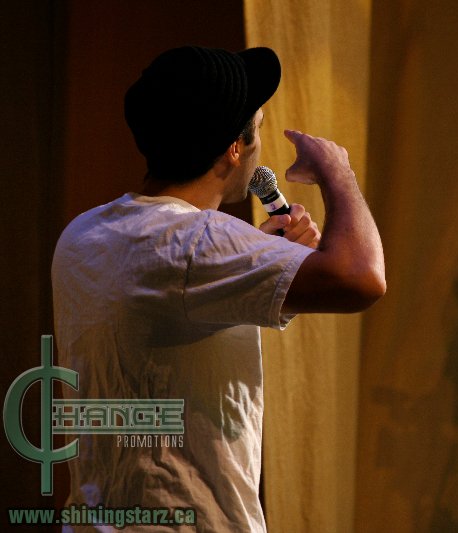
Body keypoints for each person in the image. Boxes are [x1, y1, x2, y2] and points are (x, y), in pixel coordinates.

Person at [51, 45, 385, 532]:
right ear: (233, 148)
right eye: (259, 127)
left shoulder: (84, 233)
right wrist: (338, 172)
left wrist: (262, 255)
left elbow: (170, 298)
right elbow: (362, 278)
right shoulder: (198, 243)